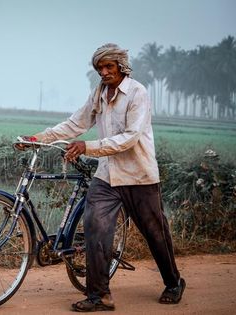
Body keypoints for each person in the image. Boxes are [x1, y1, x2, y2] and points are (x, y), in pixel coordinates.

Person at [20, 43, 185, 312]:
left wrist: (88, 147)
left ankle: (174, 282)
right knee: (95, 229)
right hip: (107, 175)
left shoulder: (137, 93)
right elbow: (75, 124)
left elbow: (130, 137)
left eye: (109, 66)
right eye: (100, 68)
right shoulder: (98, 93)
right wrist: (37, 138)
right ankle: (99, 296)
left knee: (155, 232)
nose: (104, 72)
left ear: (122, 66)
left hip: (139, 175)